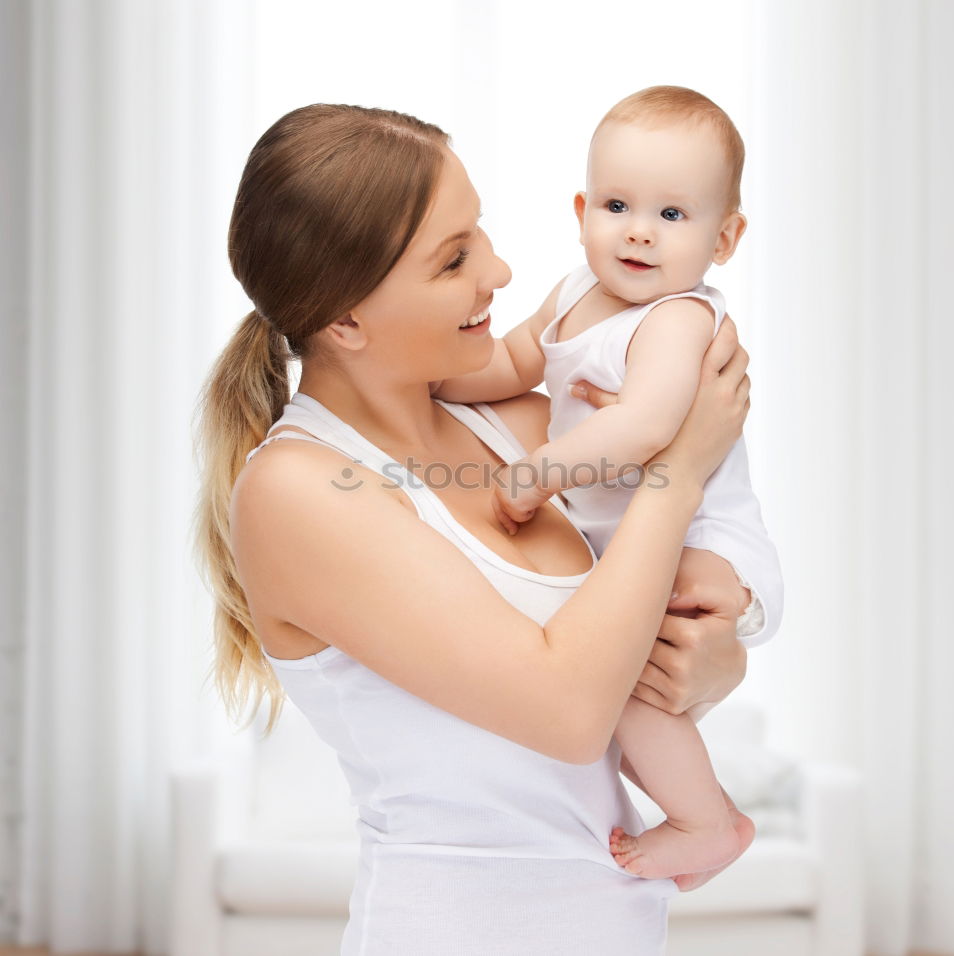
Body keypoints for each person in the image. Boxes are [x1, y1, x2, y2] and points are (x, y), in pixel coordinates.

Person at [194, 102, 779, 955]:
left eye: (482, 234)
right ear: (347, 320)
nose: (501, 272)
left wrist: (716, 655)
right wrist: (676, 471)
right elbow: (571, 709)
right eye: (455, 258)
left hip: (620, 923)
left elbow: (649, 611)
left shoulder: (521, 421)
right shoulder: (297, 490)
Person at [432, 86, 780, 882]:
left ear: (725, 238)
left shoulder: (679, 319)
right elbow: (515, 362)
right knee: (619, 685)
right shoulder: (569, 297)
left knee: (625, 677)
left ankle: (707, 819)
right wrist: (441, 378)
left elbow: (646, 427)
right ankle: (699, 812)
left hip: (704, 542)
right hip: (633, 540)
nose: (637, 231)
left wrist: (538, 474)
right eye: (618, 204)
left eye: (672, 215)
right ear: (583, 207)